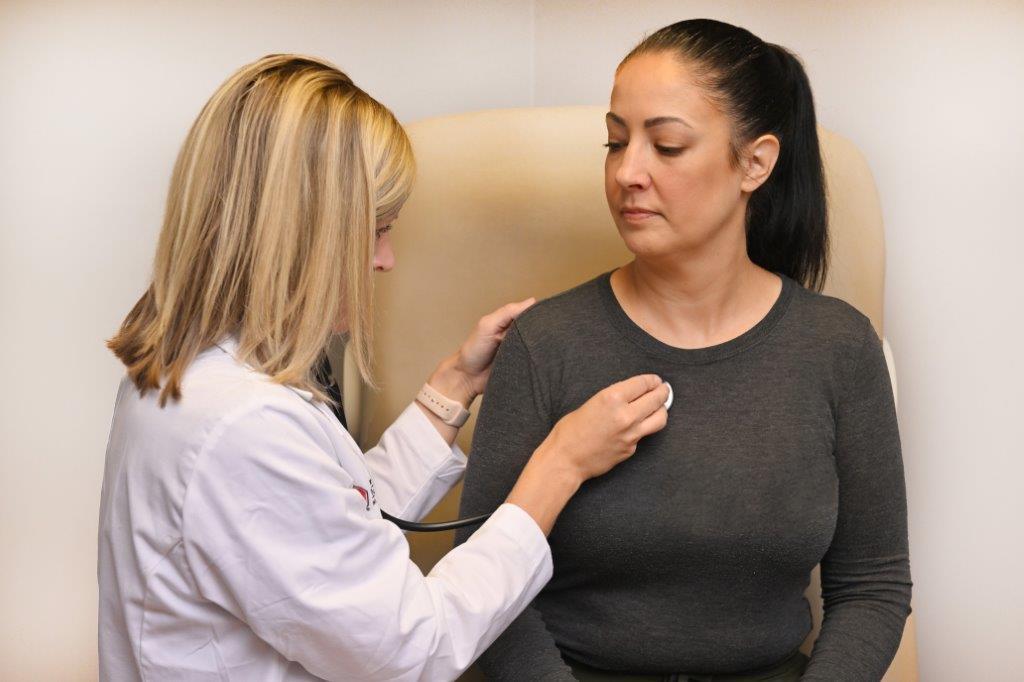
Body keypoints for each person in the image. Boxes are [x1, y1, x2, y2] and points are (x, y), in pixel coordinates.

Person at [97, 54, 671, 682]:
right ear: (306, 235)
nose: (386, 260)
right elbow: (411, 647)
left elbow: (326, 531)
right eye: (377, 230)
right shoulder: (239, 428)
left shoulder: (192, 381)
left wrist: (453, 386)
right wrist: (561, 465)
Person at [457, 19, 912, 682]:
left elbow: (873, 583)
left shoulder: (839, 349)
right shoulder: (545, 344)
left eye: (666, 145)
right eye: (615, 143)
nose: (627, 172)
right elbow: (484, 576)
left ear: (754, 163)